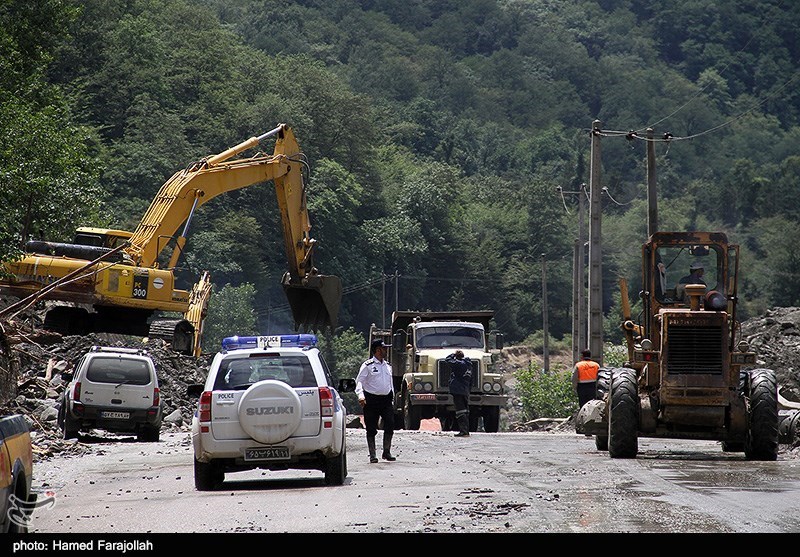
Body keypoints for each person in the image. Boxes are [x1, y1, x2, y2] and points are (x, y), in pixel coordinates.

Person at [356, 339, 396, 463]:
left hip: (386, 400)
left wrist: (392, 395)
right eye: (384, 348)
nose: (386, 350)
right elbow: (359, 382)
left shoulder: (388, 366)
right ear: (378, 350)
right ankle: (372, 454)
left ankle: (386, 451)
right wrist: (360, 396)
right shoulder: (367, 365)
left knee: (390, 424)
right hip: (371, 400)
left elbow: (390, 383)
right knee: (371, 428)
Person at [445, 350, 472, 437]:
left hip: (458, 390)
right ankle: (466, 430)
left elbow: (448, 360)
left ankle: (463, 431)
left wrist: (453, 354)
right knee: (465, 411)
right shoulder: (469, 365)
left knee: (460, 411)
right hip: (465, 390)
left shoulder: (459, 364)